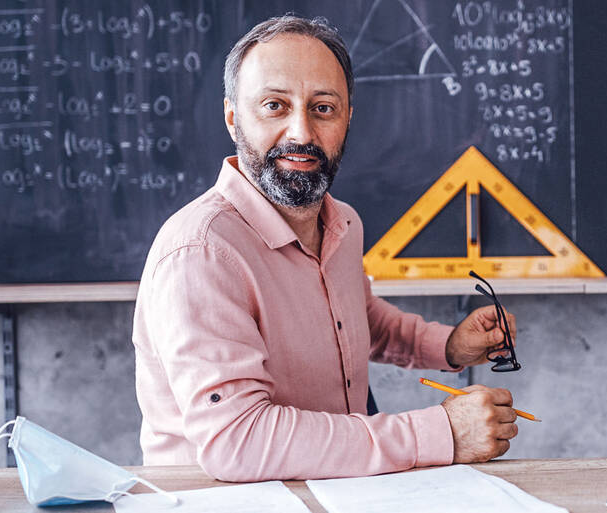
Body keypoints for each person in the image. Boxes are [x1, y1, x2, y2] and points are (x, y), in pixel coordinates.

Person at [132, 15, 520, 482]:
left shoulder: (343, 223)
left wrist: (450, 346)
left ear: (347, 118)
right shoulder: (201, 252)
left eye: (323, 108)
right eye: (275, 105)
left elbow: (357, 319)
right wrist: (437, 433)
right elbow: (238, 440)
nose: (301, 132)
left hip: (336, 491)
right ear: (233, 117)